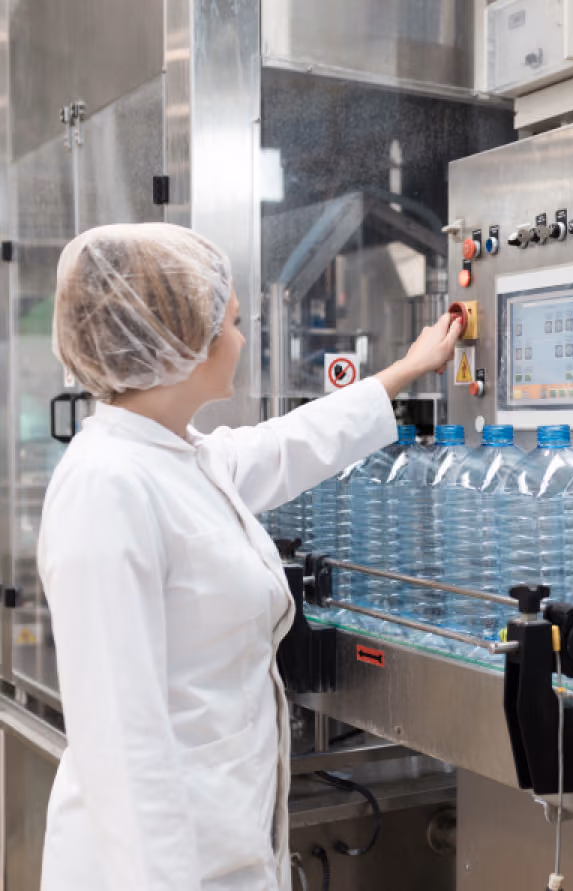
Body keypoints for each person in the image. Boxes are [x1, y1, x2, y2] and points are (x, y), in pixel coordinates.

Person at [38, 222, 461, 891]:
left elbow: (286, 445)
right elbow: (123, 747)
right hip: (157, 869)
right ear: (180, 342)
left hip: (223, 845)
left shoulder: (178, 455)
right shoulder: (107, 485)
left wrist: (404, 371)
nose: (241, 338)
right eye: (231, 323)